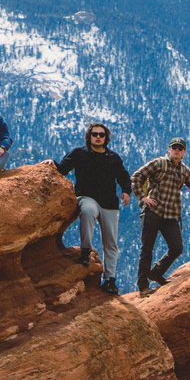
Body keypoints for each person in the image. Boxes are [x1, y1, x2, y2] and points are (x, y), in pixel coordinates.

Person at [42, 123, 133, 296]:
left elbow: (123, 176)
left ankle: (110, 279)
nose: (98, 137)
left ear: (106, 138)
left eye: (101, 135)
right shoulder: (79, 153)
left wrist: (126, 191)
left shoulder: (113, 157)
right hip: (86, 196)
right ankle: (86, 250)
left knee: (111, 243)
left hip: (109, 203)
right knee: (88, 211)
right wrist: (52, 163)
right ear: (89, 136)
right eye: (94, 134)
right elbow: (63, 168)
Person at [131, 137, 190, 298]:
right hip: (152, 212)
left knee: (176, 248)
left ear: (184, 153)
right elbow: (136, 177)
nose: (177, 150)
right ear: (169, 149)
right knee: (147, 249)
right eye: (174, 147)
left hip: (171, 215)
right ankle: (143, 286)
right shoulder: (159, 163)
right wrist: (142, 197)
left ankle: (156, 272)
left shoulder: (184, 171)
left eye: (180, 148)